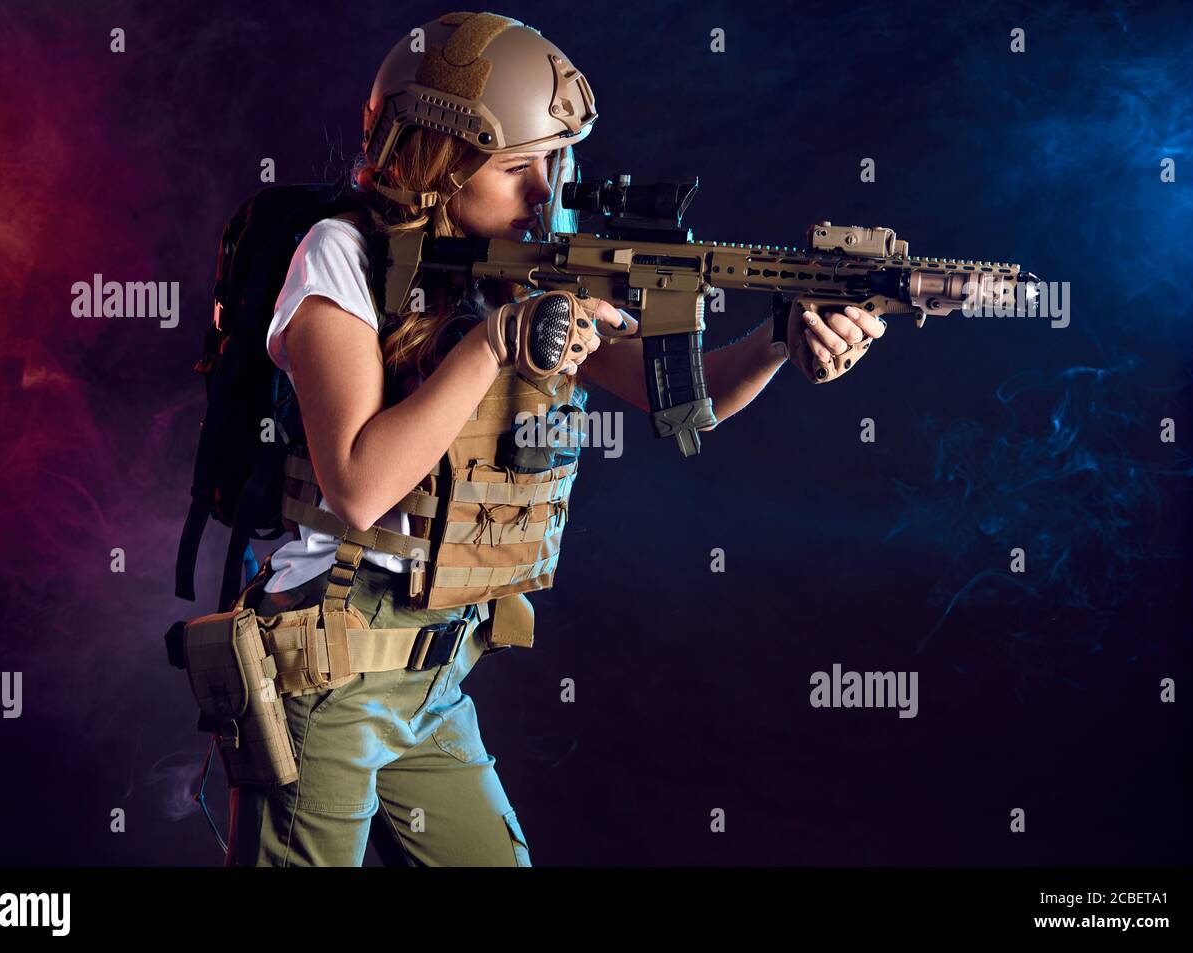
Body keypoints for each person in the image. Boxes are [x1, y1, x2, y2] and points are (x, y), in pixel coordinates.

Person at [224, 11, 886, 868]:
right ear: (437, 157)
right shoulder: (340, 256)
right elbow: (356, 485)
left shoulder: (525, 265)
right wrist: (497, 342)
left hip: (433, 675)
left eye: (557, 161)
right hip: (326, 663)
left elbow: (682, 400)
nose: (547, 191)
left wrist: (779, 340)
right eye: (519, 167)